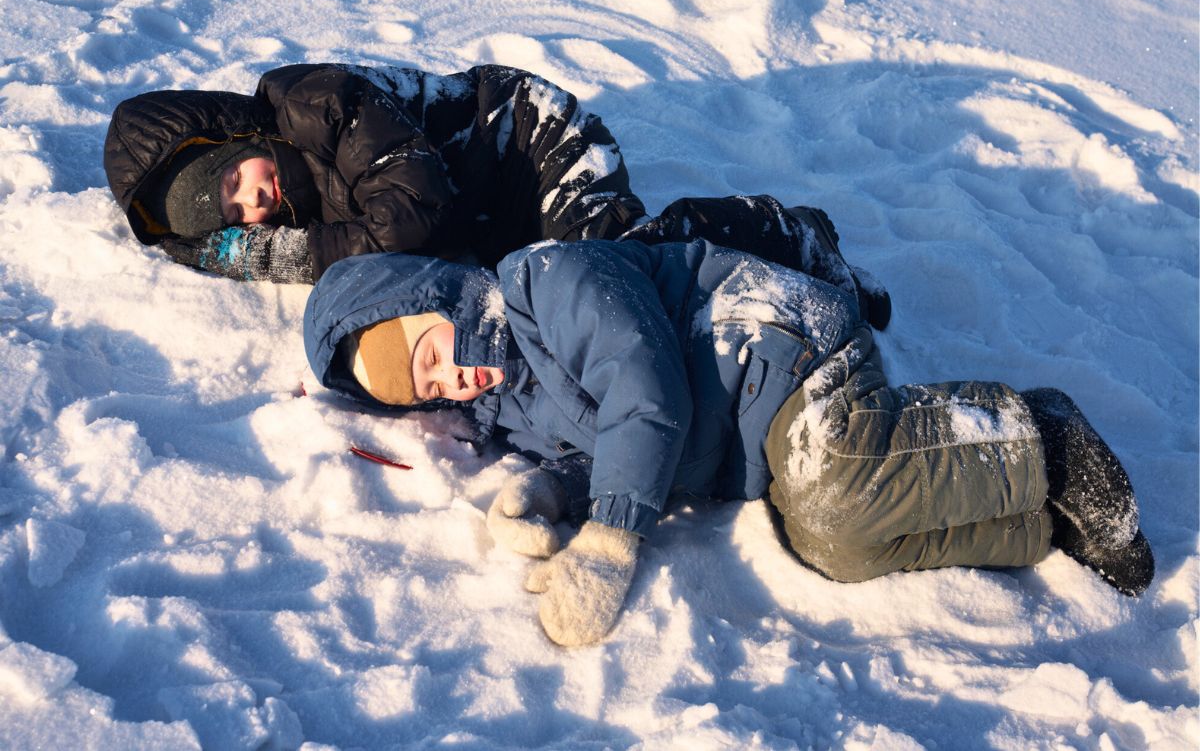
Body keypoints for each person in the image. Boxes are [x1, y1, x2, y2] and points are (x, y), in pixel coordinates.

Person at [301, 238, 1155, 646]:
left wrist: (609, 539)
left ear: (434, 302)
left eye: (429, 354)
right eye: (429, 389)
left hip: (774, 349)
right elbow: (600, 444)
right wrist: (554, 493)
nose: (449, 380)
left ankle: (1040, 433)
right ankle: (1039, 515)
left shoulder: (544, 281)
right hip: (758, 437)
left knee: (841, 479)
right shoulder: (514, 413)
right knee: (832, 540)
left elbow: (646, 389)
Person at [101, 62, 892, 329]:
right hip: (499, 226)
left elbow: (414, 206)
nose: (253, 203)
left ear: (234, 141)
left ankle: (787, 236)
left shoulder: (317, 101)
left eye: (234, 181)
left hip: (538, 146)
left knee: (626, 267)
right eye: (236, 216)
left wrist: (304, 254)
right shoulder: (295, 197)